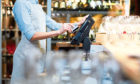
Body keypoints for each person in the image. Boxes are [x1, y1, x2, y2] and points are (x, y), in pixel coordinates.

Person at [11, 0, 87, 84]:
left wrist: (78, 24)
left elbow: (55, 25)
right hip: (25, 57)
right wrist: (58, 32)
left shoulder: (37, 5)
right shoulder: (21, 3)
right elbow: (31, 35)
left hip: (39, 55)